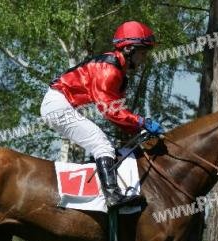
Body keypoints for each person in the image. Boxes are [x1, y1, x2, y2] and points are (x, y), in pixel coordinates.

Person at [40, 21, 165, 208]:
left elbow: (119, 114)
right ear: (129, 49)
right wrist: (141, 122)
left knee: (105, 145)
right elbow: (110, 110)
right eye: (142, 52)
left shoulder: (117, 70)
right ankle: (112, 196)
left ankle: (101, 192)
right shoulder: (109, 70)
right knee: (102, 145)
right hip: (58, 106)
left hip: (61, 104)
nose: (144, 58)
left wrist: (138, 129)